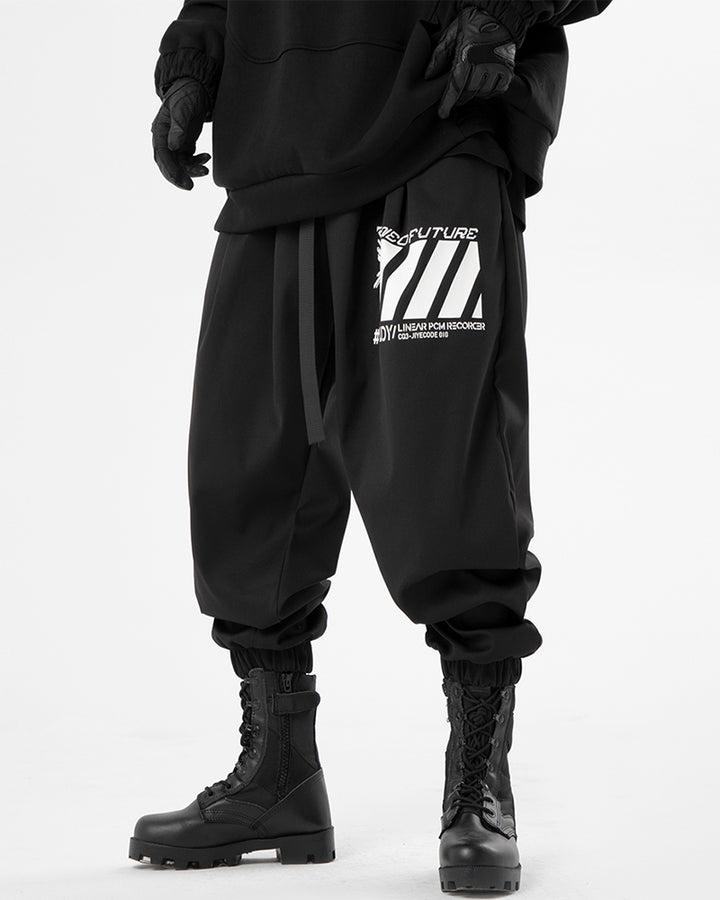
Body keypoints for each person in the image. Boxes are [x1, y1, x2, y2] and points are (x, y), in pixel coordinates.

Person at [129, 1, 611, 892]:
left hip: (432, 137)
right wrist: (195, 63)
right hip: (274, 151)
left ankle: (478, 787)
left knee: (445, 466)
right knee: (245, 470)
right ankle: (278, 775)